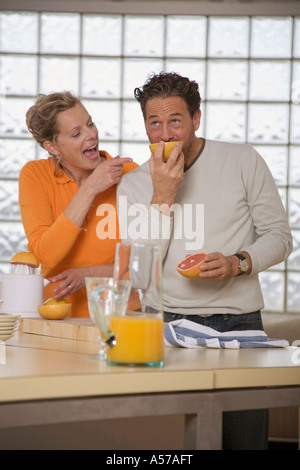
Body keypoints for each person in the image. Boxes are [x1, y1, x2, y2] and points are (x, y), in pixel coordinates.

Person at [117, 72, 293, 449]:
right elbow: (142, 272)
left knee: (244, 442)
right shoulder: (133, 185)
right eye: (155, 123)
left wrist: (238, 263)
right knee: (172, 444)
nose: (164, 135)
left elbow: (280, 238)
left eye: (175, 121)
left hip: (239, 322)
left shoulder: (242, 159)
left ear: (196, 119)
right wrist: (163, 194)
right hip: (164, 325)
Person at [19, 92, 138, 317]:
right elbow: (46, 254)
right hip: (58, 315)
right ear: (52, 147)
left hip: (122, 313)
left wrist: (90, 273)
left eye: (90, 123)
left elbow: (147, 263)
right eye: (76, 133)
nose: (92, 135)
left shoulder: (130, 175)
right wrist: (90, 188)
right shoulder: (35, 175)